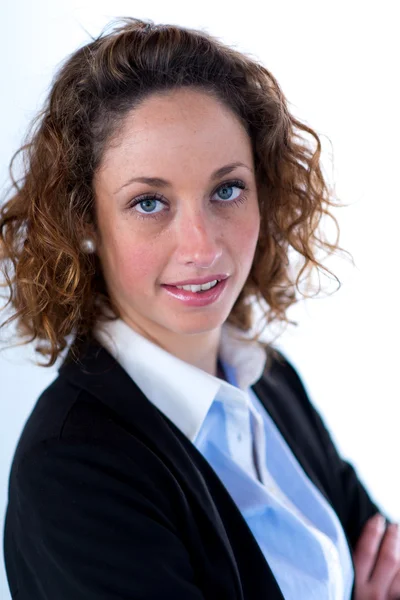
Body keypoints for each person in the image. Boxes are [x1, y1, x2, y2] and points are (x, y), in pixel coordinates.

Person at [1, 16, 399, 600]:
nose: (203, 246)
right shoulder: (71, 471)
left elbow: (383, 560)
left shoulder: (268, 380)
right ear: (84, 220)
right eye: (149, 202)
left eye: (227, 189)